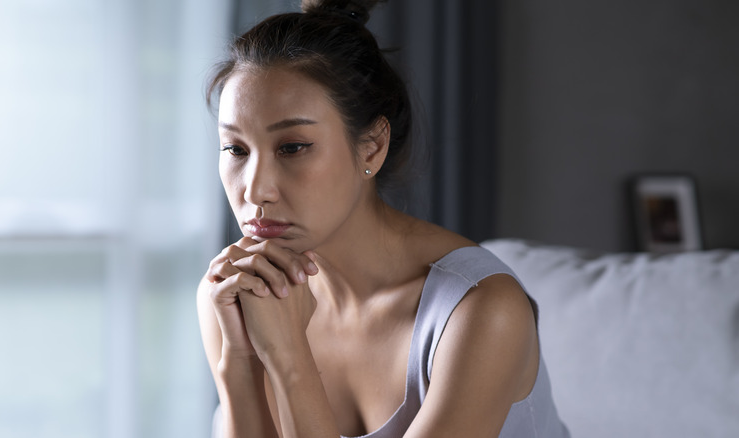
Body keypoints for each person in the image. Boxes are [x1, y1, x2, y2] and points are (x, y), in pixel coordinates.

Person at [197, 1, 570, 437]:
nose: (255, 190)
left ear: (372, 146)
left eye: (292, 147)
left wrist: (290, 359)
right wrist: (240, 364)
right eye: (236, 149)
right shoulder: (234, 292)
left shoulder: (480, 312)